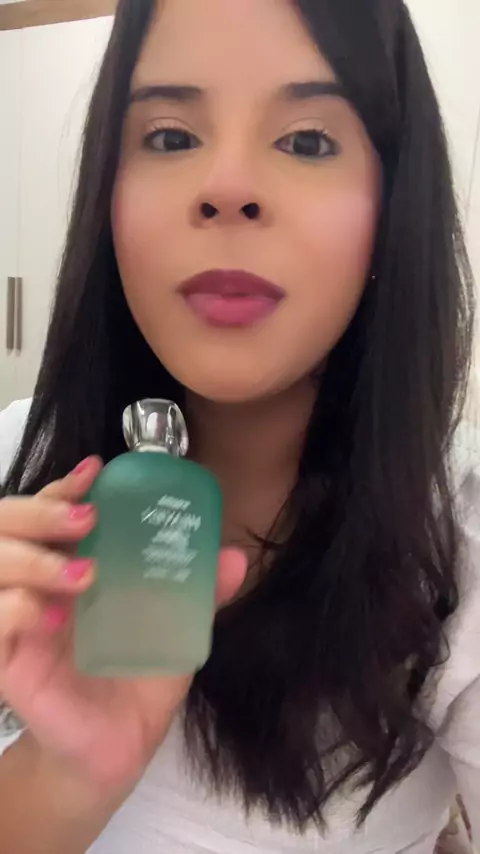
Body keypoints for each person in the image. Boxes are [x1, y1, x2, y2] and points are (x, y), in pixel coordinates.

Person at [0, 0, 478, 851]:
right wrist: (61, 781)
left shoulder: (456, 542)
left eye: (307, 141)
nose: (226, 187)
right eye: (170, 136)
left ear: (393, 202)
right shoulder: (19, 467)